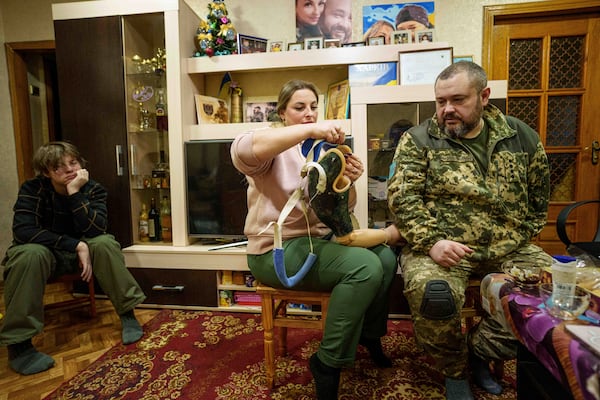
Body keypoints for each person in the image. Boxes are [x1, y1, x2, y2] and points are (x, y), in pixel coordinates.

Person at [387, 61, 553, 400]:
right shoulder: (419, 140)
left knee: (553, 299)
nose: (447, 110)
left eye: (458, 100)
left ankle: (479, 351)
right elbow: (402, 200)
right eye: (440, 101)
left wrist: (521, 236)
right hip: (441, 247)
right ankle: (455, 372)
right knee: (434, 295)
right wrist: (432, 242)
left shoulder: (520, 136)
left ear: (484, 96)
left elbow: (540, 193)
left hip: (510, 248)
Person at [231, 79, 400, 399]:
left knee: (386, 258)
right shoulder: (269, 149)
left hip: (317, 243)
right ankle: (327, 362)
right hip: (275, 250)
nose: (309, 114)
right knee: (364, 267)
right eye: (299, 108)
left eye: (313, 108)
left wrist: (348, 181)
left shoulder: (324, 152)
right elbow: (241, 148)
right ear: (282, 113)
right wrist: (311, 130)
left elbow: (340, 208)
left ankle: (369, 334)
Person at [0, 141, 147, 375]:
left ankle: (128, 316)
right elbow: (24, 231)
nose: (69, 170)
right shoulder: (32, 189)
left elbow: (96, 229)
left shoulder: (93, 189)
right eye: (59, 166)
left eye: (73, 162)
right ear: (47, 172)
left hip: (84, 255)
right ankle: (19, 345)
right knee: (28, 253)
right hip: (45, 255)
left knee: (105, 243)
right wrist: (75, 244)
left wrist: (74, 194)